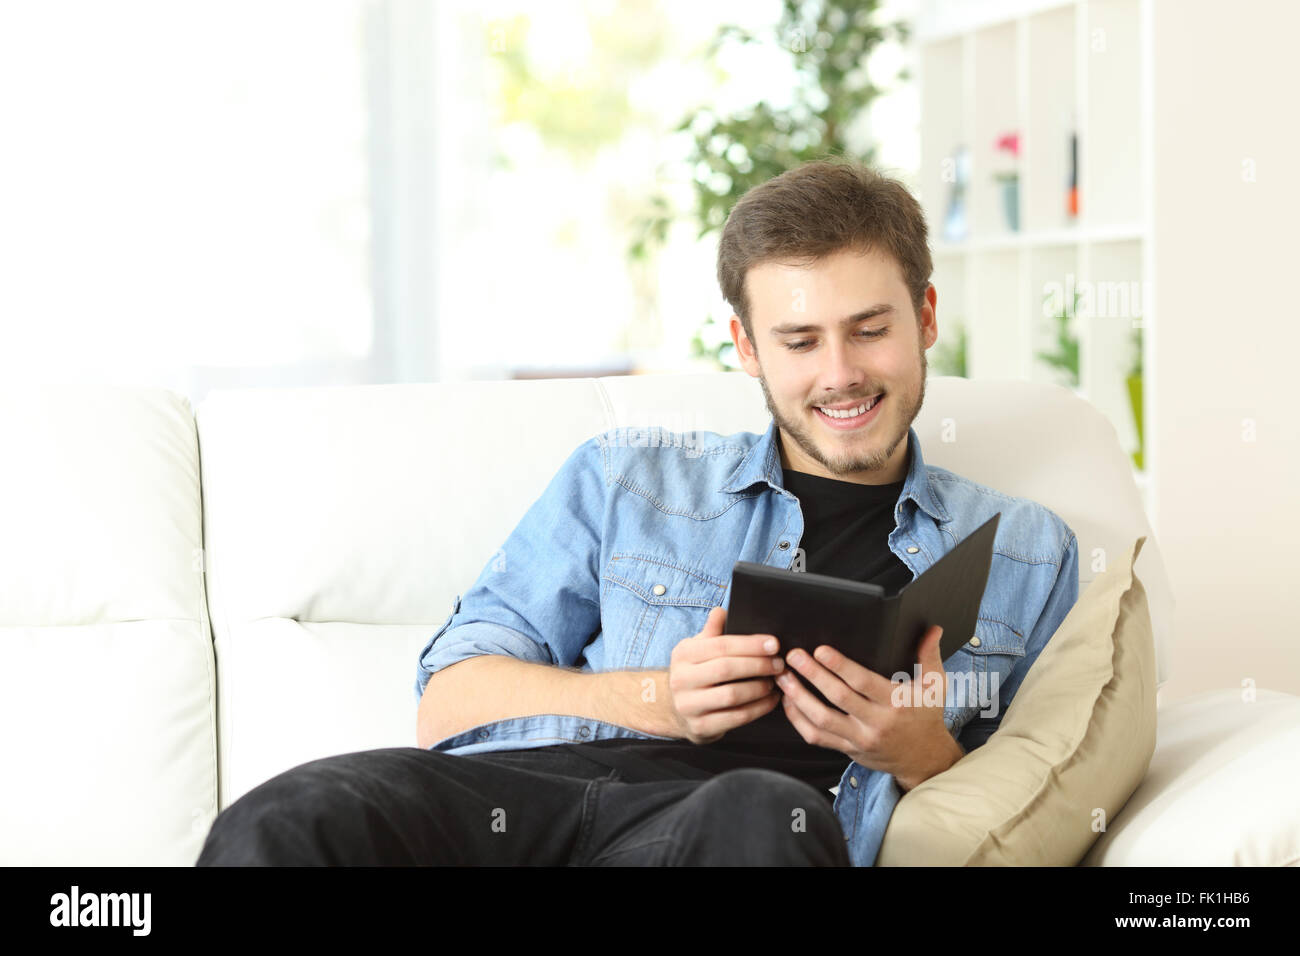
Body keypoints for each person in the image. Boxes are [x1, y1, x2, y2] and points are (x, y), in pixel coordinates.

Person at [197, 159, 1079, 867]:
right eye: (800, 341)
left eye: (869, 329)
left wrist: (926, 756)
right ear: (746, 348)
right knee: (292, 815)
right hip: (528, 806)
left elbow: (1052, 791)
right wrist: (665, 699)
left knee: (764, 811)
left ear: (925, 318)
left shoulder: (1027, 553)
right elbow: (448, 703)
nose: (839, 372)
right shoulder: (630, 478)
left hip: (740, 831)